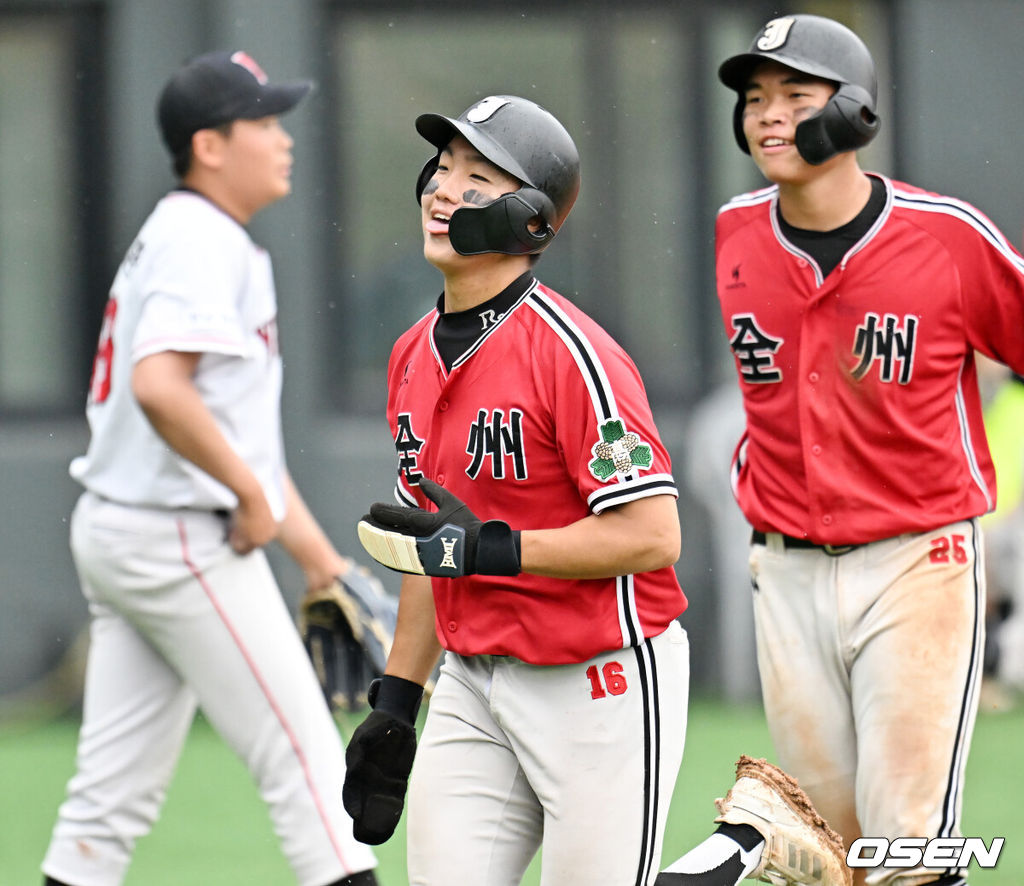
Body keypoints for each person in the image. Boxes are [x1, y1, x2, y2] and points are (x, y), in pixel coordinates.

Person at [659, 12, 1024, 886]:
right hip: (784, 570)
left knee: (904, 842)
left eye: (795, 94)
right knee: (827, 846)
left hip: (918, 561)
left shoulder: (947, 237)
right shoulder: (736, 230)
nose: (768, 115)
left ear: (855, 112)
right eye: (754, 99)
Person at [40, 50, 378, 886]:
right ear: (210, 145)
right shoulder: (202, 237)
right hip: (177, 539)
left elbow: (244, 448)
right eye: (263, 122)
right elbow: (161, 388)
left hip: (129, 529)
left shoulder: (190, 233)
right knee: (307, 765)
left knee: (106, 804)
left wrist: (316, 559)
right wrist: (245, 491)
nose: (282, 138)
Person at [342, 95, 691, 886]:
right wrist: (398, 699)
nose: (444, 189)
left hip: (600, 674)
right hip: (474, 679)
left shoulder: (572, 354)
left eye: (478, 178)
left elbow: (652, 535)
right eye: (443, 168)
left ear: (531, 219)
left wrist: (490, 549)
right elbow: (433, 549)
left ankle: (728, 858)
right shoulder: (409, 354)